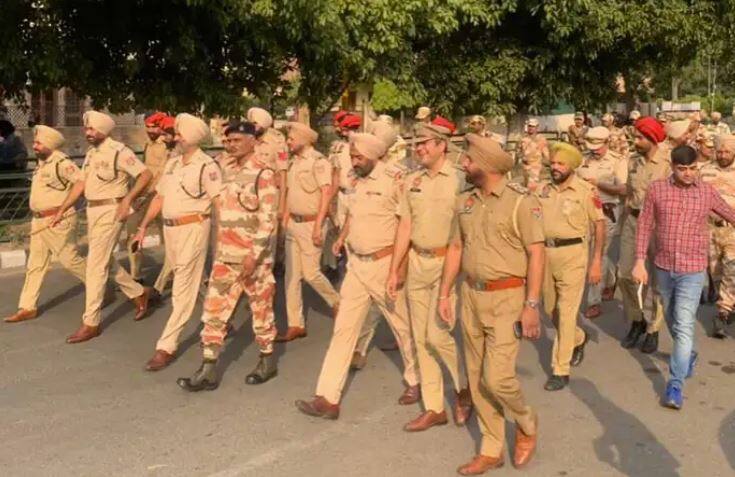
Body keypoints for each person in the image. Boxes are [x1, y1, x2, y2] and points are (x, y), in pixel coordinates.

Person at [294, 133, 420, 420]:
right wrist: (342, 238)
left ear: (374, 156)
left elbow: (405, 226)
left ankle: (416, 380)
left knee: (401, 326)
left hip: (384, 263)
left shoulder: (395, 178)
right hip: (356, 265)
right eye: (352, 156)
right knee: (343, 330)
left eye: (359, 157)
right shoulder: (354, 178)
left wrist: (398, 269)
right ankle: (327, 398)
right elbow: (352, 212)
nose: (354, 161)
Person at [438, 134, 542, 473]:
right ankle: (491, 447)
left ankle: (526, 422)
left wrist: (531, 305)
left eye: (467, 160)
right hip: (471, 295)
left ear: (485, 165)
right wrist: (444, 293)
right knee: (476, 375)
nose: (462, 164)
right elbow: (455, 248)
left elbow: (536, 253)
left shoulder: (520, 202)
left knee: (497, 378)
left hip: (508, 297)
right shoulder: (464, 201)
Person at [177, 121, 279, 390]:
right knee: (213, 313)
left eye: (236, 140)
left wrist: (253, 255)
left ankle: (267, 361)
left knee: (261, 312)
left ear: (252, 141)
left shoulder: (263, 174)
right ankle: (208, 368)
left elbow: (268, 220)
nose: (230, 144)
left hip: (252, 260)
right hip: (225, 256)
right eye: (228, 140)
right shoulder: (225, 170)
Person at [633, 145, 735, 409]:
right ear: (673, 166)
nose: (688, 174)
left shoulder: (706, 192)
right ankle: (687, 354)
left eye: (693, 169)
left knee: (685, 322)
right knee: (671, 318)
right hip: (664, 267)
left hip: (693, 269)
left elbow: (729, 213)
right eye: (682, 169)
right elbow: (645, 224)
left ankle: (675, 384)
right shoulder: (657, 189)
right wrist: (638, 261)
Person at [386, 123, 472, 432]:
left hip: (447, 263)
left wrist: (451, 283)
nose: (417, 148)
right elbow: (405, 228)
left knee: (437, 335)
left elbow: (465, 233)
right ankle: (434, 407)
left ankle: (464, 388)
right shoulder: (413, 180)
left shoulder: (460, 179)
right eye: (415, 143)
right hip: (417, 262)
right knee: (421, 339)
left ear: (441, 145)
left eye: (423, 143)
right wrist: (395, 269)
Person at [53, 111, 152, 344]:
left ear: (104, 130)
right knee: (104, 259)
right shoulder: (91, 154)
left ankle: (91, 322)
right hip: (93, 210)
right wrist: (63, 208)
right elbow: (82, 184)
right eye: (87, 129)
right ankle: (139, 293)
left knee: (95, 266)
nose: (88, 133)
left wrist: (128, 199)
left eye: (92, 129)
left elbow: (145, 174)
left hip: (112, 211)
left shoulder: (119, 151)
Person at [133, 113, 222, 370]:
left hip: (194, 229)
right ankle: (218, 317)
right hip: (170, 233)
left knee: (182, 289)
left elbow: (218, 203)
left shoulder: (207, 166)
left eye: (179, 134)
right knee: (194, 282)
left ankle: (166, 346)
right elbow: (159, 198)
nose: (174, 138)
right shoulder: (173, 163)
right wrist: (142, 227)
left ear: (192, 138)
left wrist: (223, 237)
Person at [537, 143, 605, 390]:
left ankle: (560, 369)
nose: (554, 167)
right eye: (553, 163)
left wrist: (596, 261)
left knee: (566, 313)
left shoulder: (586, 192)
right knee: (551, 310)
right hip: (545, 255)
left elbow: (599, 225)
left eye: (560, 164)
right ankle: (578, 337)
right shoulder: (543, 190)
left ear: (572, 166)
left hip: (574, 255)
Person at [4, 126, 87, 323]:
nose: (35, 146)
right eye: (35, 143)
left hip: (57, 220)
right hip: (39, 219)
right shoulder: (43, 163)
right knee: (35, 264)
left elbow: (81, 182)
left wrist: (63, 209)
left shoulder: (61, 162)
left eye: (39, 143)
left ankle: (99, 286)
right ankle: (27, 307)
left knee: (70, 260)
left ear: (49, 144)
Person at [276, 122, 340, 342]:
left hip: (312, 223)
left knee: (311, 273)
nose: (288, 141)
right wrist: (285, 221)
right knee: (291, 277)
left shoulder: (318, 162)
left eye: (291, 137)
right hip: (294, 223)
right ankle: (296, 324)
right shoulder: (294, 163)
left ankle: (336, 301)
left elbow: (326, 193)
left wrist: (318, 225)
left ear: (304, 138)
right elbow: (289, 193)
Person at [618, 117, 668, 354]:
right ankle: (637, 320)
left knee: (658, 281)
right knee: (625, 275)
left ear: (651, 138)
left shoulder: (668, 163)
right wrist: (623, 221)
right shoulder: (633, 162)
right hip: (633, 221)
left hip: (659, 226)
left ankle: (654, 329)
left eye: (639, 137)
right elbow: (629, 193)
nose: (635, 141)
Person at [577, 127, 628, 318]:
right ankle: (610, 280)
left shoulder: (618, 161)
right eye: (592, 146)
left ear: (607, 142)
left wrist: (597, 183)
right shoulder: (583, 159)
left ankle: (593, 300)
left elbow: (622, 190)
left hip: (607, 211)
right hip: (584, 211)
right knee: (593, 253)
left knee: (597, 254)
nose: (595, 149)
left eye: (598, 145)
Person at [127, 111, 169, 283]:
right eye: (148, 126)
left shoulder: (167, 145)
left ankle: (168, 276)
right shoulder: (147, 144)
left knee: (169, 238)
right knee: (133, 235)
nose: (150, 130)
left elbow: (162, 172)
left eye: (154, 127)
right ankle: (135, 276)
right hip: (145, 195)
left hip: (161, 195)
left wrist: (149, 191)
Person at [700, 135, 735, 338]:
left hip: (732, 230)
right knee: (715, 271)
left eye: (727, 152)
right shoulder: (705, 171)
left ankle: (723, 312)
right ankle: (728, 301)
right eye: (720, 152)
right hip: (709, 229)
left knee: (732, 268)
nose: (722, 156)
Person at [516, 118, 550, 191]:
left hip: (535, 168)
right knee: (525, 188)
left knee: (532, 189)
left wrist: (549, 164)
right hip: (525, 168)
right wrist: (521, 157)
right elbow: (518, 151)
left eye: (533, 126)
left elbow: (546, 155)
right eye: (529, 126)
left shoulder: (541, 139)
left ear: (537, 127)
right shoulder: (522, 138)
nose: (531, 128)